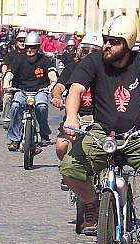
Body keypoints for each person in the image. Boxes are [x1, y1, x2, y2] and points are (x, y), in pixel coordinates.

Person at [60, 15, 140, 244]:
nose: (107, 45)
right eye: (105, 40)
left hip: (138, 133)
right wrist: (71, 117)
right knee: (69, 168)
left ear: (128, 44)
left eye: (114, 41)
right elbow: (76, 90)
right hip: (102, 132)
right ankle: (92, 205)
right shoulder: (93, 61)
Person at [51, 32, 103, 162]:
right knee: (62, 145)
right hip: (76, 117)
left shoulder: (109, 71)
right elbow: (59, 86)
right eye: (86, 51)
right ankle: (66, 175)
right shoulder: (73, 67)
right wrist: (57, 97)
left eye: (95, 52)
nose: (89, 56)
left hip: (102, 118)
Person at [3, 31, 57, 151]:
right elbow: (10, 73)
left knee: (41, 106)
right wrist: (6, 83)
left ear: (38, 47)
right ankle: (14, 139)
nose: (30, 50)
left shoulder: (45, 60)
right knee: (16, 106)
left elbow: (52, 73)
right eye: (28, 47)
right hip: (21, 90)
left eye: (33, 47)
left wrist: (53, 83)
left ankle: (44, 134)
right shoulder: (18, 59)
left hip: (40, 90)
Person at [0, 31, 27, 126]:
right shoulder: (11, 55)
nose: (22, 43)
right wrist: (5, 76)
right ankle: (7, 119)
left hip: (29, 83)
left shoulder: (31, 54)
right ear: (16, 42)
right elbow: (4, 66)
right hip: (13, 82)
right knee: (7, 97)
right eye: (20, 41)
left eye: (24, 41)